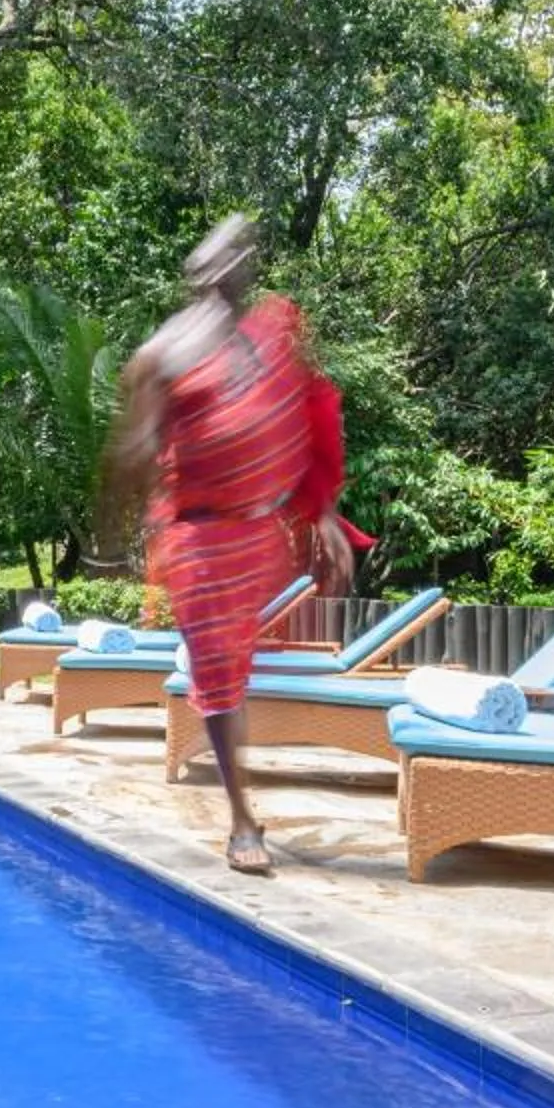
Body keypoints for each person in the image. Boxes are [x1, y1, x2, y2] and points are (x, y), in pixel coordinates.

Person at [104, 215, 354, 874]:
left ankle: (244, 804)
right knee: (219, 677)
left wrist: (322, 513)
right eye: (225, 255)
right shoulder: (166, 354)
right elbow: (132, 449)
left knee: (239, 670)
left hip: (257, 534)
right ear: (201, 272)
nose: (238, 265)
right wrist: (127, 532)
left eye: (244, 253)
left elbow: (308, 416)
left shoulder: (267, 340)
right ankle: (243, 820)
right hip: (197, 535)